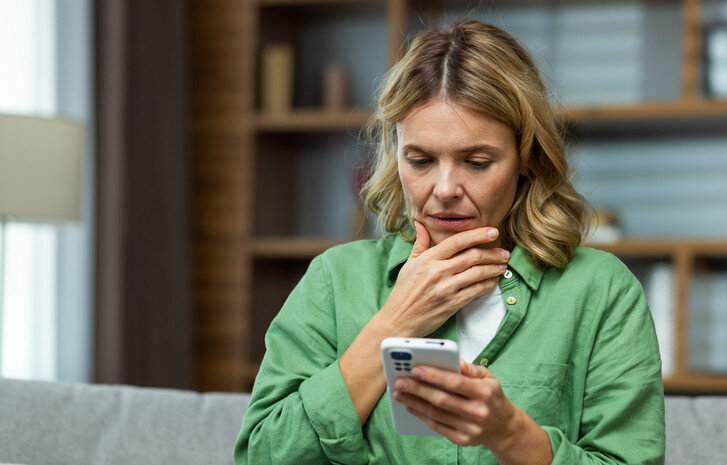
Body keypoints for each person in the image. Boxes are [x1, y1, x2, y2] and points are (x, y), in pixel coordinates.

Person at [235, 19, 665, 465]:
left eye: (477, 162)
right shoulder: (334, 280)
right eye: (419, 160)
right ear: (395, 154)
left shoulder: (600, 292)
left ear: (526, 159)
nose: (444, 189)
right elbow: (262, 456)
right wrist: (395, 322)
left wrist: (511, 432)